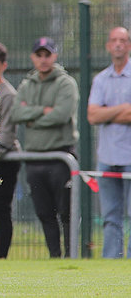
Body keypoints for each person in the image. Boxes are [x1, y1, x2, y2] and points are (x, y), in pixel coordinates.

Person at [11, 36, 79, 258]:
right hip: (34, 159)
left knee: (66, 213)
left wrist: (32, 116)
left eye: (47, 54)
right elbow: (16, 113)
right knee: (44, 213)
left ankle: (71, 256)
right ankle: (54, 257)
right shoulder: (26, 84)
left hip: (60, 157)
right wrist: (44, 111)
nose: (43, 59)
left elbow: (61, 114)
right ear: (33, 57)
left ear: (55, 56)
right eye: (39, 55)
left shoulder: (66, 83)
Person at [87, 26, 131, 258]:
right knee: (111, 216)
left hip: (129, 157)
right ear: (107, 45)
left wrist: (108, 111)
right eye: (113, 40)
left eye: (122, 40)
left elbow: (102, 113)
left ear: (129, 45)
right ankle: (112, 262)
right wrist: (123, 109)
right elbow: (92, 115)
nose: (118, 44)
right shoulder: (101, 79)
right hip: (107, 157)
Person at [0, 42, 21, 259]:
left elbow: (7, 133)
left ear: (4, 66)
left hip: (3, 161)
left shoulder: (8, 94)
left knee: (1, 209)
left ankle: (0, 257)